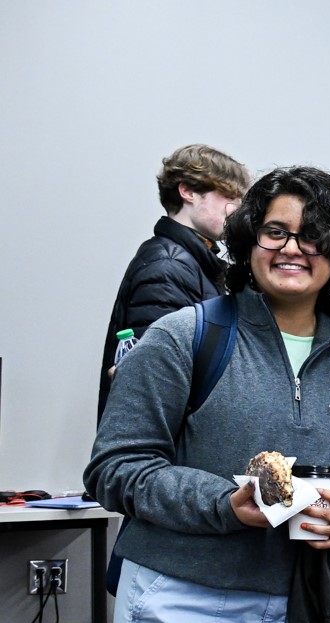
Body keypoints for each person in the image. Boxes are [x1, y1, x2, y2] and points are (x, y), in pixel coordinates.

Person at [85, 166, 330, 623]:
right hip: (182, 599)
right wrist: (223, 502)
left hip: (308, 613)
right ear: (248, 238)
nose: (292, 249)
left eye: (313, 236)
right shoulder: (187, 337)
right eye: (275, 231)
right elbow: (115, 467)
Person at [99, 143, 251, 418]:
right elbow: (156, 380)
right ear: (188, 191)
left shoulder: (192, 261)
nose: (235, 209)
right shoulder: (169, 265)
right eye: (228, 196)